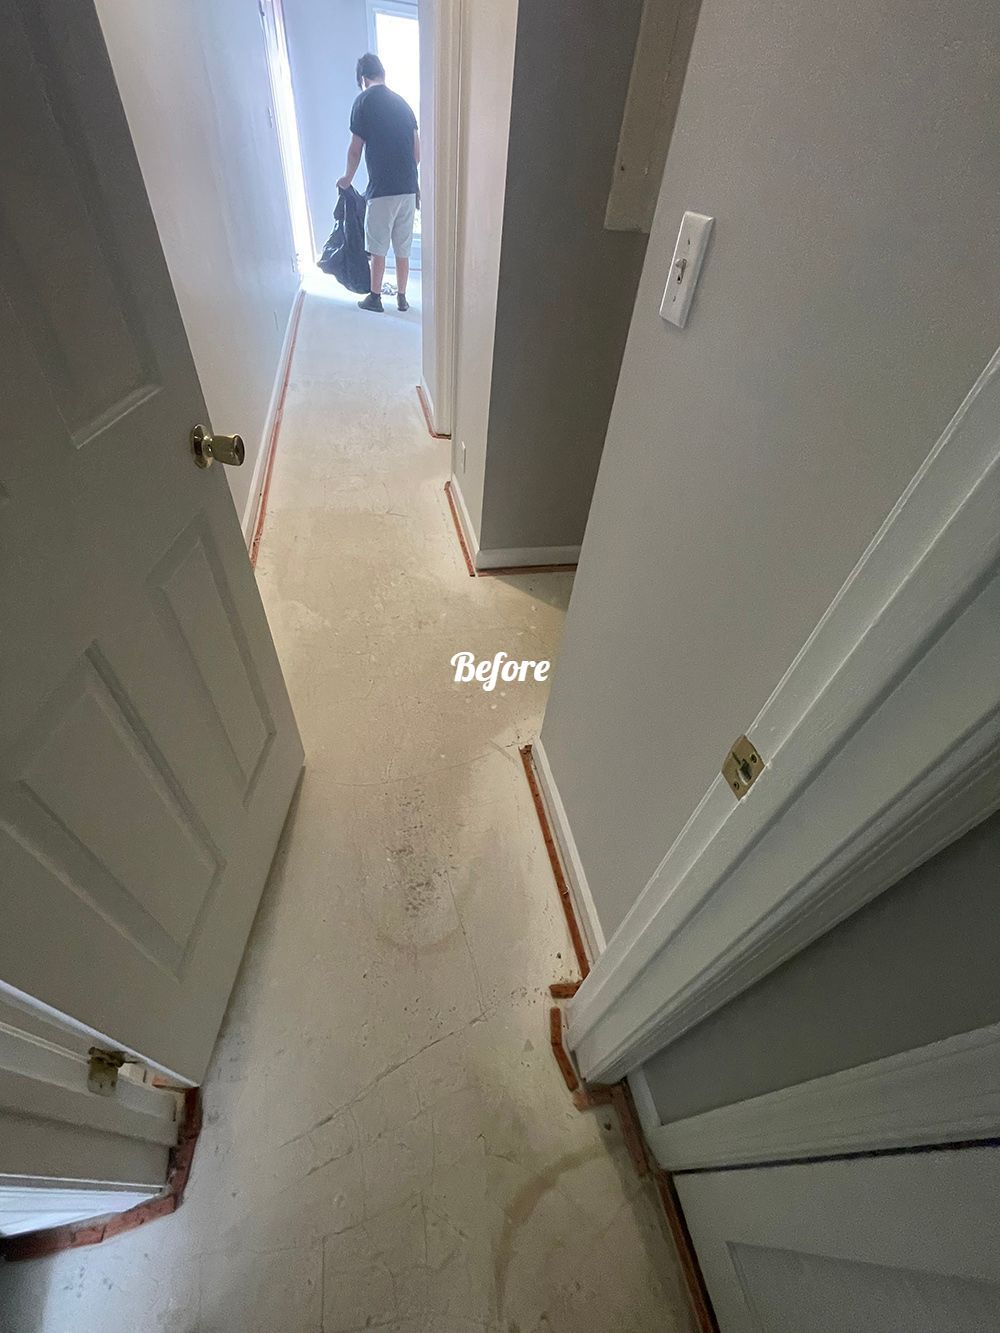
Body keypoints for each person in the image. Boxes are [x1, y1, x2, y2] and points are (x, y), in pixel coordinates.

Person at [338, 53, 420, 314]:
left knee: (377, 246)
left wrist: (347, 179)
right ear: (382, 73)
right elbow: (417, 152)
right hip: (408, 189)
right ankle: (402, 298)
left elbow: (355, 149)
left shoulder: (363, 101)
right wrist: (405, 174)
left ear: (363, 79)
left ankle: (375, 297)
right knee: (403, 246)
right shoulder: (403, 104)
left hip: (381, 190)